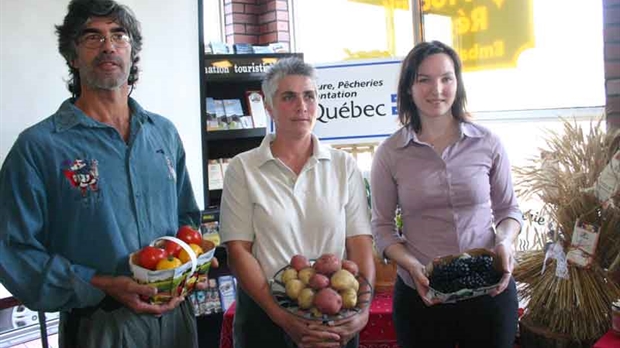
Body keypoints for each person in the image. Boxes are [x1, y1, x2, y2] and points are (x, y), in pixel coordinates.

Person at [0, 1, 210, 347]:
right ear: (72, 56)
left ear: (132, 52)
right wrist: (97, 284)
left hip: (177, 322)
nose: (108, 46)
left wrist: (189, 267)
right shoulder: (39, 147)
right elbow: (14, 251)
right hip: (101, 326)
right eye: (92, 37)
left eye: (119, 36)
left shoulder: (163, 134)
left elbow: (187, 218)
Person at [370, 40, 522, 348]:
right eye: (423, 79)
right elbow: (382, 228)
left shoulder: (487, 142)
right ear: (409, 88)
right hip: (422, 295)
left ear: (457, 83)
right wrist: (411, 266)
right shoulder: (390, 153)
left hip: (488, 289)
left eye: (446, 78)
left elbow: (509, 211)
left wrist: (505, 241)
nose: (436, 89)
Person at [219, 57, 376, 348]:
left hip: (334, 314)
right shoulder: (243, 168)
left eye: (309, 96)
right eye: (288, 97)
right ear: (268, 106)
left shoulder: (343, 165)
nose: (301, 106)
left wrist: (362, 309)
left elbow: (360, 242)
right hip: (265, 316)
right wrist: (282, 316)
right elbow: (239, 250)